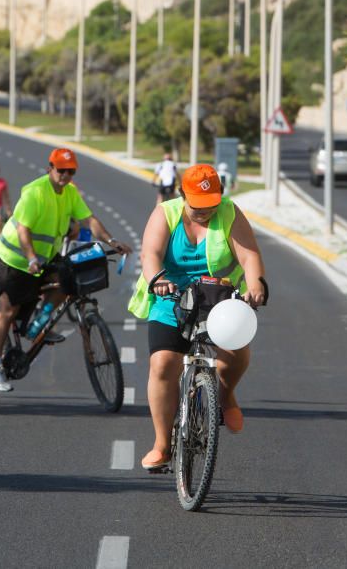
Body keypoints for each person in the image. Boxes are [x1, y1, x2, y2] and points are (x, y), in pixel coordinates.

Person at [129, 164, 267, 470]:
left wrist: (256, 283)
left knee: (235, 355)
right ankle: (162, 444)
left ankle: (226, 395)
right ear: (182, 195)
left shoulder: (230, 213)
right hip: (172, 295)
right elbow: (150, 253)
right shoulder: (165, 213)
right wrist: (157, 279)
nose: (205, 211)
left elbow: (249, 256)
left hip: (218, 296)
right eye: (197, 206)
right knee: (163, 362)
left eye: (211, 205)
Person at [0, 148, 133, 392]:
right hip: (14, 257)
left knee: (66, 282)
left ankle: (38, 325)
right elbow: (23, 231)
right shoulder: (35, 192)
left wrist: (112, 241)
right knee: (8, 309)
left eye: (70, 171)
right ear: (49, 168)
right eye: (61, 170)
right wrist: (31, 258)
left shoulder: (70, 193)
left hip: (42, 258)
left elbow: (89, 220)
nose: (65, 175)